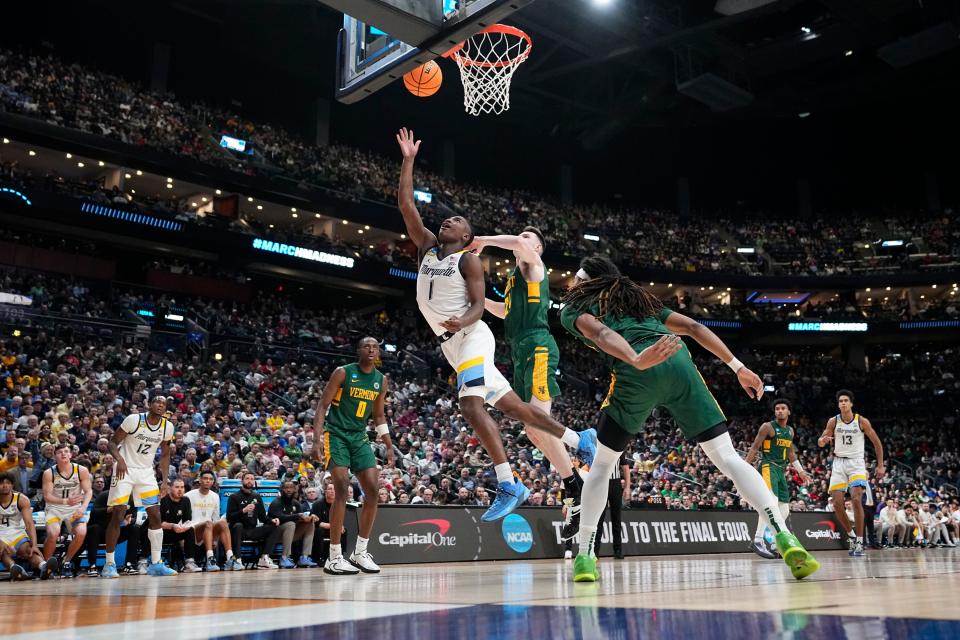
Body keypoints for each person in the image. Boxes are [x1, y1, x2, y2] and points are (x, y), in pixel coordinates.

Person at [560, 256, 819, 582]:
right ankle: (784, 536)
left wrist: (637, 359)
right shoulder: (638, 302)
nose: (571, 282)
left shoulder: (571, 309)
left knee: (602, 464)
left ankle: (585, 556)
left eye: (576, 277)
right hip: (678, 360)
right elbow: (695, 328)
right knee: (728, 458)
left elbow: (599, 333)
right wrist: (738, 367)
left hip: (638, 370)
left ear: (586, 281)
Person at [395, 127, 596, 523]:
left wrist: (482, 245)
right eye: (447, 219)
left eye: (457, 221)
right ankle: (578, 439)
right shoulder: (429, 249)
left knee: (470, 405)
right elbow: (406, 208)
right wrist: (408, 162)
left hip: (477, 336)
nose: (447, 220)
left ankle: (509, 483)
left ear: (467, 236)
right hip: (455, 343)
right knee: (520, 413)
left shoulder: (492, 260)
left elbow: (476, 307)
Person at [474, 228, 585, 539]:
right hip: (520, 350)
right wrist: (475, 300)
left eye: (527, 237)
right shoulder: (515, 280)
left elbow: (521, 243)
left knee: (538, 422)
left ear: (536, 247)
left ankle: (575, 482)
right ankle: (573, 483)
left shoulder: (534, 265)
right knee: (533, 430)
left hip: (537, 345)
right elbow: (502, 310)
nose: (521, 239)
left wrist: (484, 241)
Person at [314, 337, 394, 575]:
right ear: (358, 350)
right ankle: (334, 557)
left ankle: (360, 552)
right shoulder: (343, 373)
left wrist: (388, 444)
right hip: (336, 434)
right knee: (342, 487)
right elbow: (322, 405)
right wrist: (316, 438)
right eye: (366, 346)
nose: (371, 350)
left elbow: (378, 416)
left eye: (375, 347)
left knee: (372, 491)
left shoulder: (381, 380)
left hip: (359, 437)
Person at [103, 390, 177, 577]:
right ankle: (109, 564)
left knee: (155, 514)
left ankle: (156, 563)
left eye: (164, 404)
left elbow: (166, 454)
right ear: (149, 404)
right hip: (125, 470)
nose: (161, 405)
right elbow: (112, 443)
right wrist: (119, 460)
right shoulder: (134, 420)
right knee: (118, 514)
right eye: (157, 402)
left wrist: (165, 480)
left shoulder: (167, 427)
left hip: (146, 473)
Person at [817, 389, 885, 557]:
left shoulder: (861, 421)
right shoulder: (833, 421)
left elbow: (877, 443)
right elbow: (821, 441)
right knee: (837, 504)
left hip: (856, 463)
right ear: (838, 404)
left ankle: (861, 542)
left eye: (846, 400)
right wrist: (822, 440)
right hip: (838, 463)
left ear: (851, 403)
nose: (843, 403)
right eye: (840, 401)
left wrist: (880, 465)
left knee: (856, 499)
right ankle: (852, 536)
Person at [745, 399, 810, 559]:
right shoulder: (768, 427)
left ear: (789, 412)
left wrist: (801, 471)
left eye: (783, 408)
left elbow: (791, 453)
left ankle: (775, 543)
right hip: (768, 466)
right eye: (777, 409)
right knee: (771, 503)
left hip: (781, 470)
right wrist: (745, 467)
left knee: (784, 508)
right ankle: (758, 540)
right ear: (775, 412)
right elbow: (754, 447)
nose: (780, 411)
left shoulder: (790, 431)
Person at [41, 443, 92, 577]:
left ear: (70, 454)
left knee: (81, 532)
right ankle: (46, 565)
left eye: (66, 451)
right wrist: (65, 501)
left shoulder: (81, 470)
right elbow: (47, 497)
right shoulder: (49, 473)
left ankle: (66, 561)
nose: (63, 454)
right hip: (54, 508)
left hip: (74, 508)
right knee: (53, 533)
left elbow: (88, 491)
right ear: (55, 456)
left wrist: (83, 507)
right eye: (59, 452)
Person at [0, 472, 56, 580]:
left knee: (28, 550)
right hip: (0, 535)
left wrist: (34, 545)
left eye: (8, 483)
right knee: (2, 551)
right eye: (1, 483)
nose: (5, 485)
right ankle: (15, 569)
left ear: (12, 485)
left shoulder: (22, 499)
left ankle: (44, 567)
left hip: (17, 533)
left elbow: (29, 524)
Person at [185, 469, 243, 571]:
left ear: (213, 482)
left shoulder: (215, 496)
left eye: (210, 479)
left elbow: (216, 519)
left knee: (222, 522)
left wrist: (215, 539)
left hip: (209, 530)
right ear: (199, 480)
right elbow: (185, 520)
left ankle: (230, 558)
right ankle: (210, 560)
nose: (208, 481)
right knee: (208, 523)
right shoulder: (188, 496)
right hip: (193, 532)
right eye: (205, 478)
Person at [226, 471, 282, 569]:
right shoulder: (234, 497)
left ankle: (264, 558)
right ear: (242, 481)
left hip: (252, 530)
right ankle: (237, 559)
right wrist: (243, 510)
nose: (250, 481)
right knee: (238, 525)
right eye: (247, 478)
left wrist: (272, 521)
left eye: (252, 479)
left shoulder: (256, 496)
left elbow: (262, 517)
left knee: (274, 526)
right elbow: (229, 517)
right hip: (238, 531)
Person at [85, 490, 145, 577]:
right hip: (100, 532)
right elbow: (94, 513)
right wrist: (109, 509)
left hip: (117, 532)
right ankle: (92, 565)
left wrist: (130, 520)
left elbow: (134, 517)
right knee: (95, 528)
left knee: (134, 528)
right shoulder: (104, 495)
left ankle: (129, 564)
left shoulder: (131, 499)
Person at [268, 479, 319, 568]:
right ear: (282, 490)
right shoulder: (276, 502)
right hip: (275, 535)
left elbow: (302, 516)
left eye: (291, 487)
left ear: (295, 490)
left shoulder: (296, 503)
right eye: (286, 488)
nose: (289, 490)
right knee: (290, 524)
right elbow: (281, 518)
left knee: (310, 523)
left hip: (291, 534)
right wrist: (298, 515)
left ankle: (304, 557)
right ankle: (284, 557)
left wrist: (311, 517)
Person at [158, 478, 198, 571]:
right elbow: (157, 524)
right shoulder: (163, 500)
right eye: (177, 487)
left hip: (176, 531)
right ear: (170, 488)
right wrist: (172, 526)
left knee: (190, 529)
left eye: (182, 487)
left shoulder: (186, 500)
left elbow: (187, 520)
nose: (180, 490)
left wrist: (183, 527)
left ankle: (189, 562)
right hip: (161, 533)